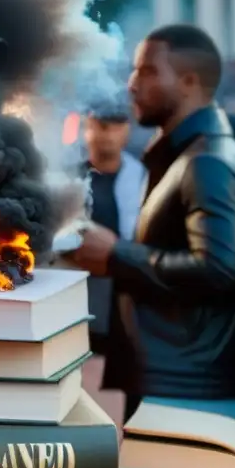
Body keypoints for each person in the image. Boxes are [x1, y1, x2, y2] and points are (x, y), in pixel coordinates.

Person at [72, 24, 235, 438]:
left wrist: (117, 254)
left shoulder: (208, 163)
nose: (133, 84)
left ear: (189, 83)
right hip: (180, 383)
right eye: (135, 71)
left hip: (196, 391)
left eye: (149, 72)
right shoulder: (188, 155)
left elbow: (219, 267)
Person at [80, 100, 145, 358]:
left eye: (115, 126)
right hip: (79, 285)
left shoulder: (144, 177)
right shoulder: (67, 175)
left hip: (126, 292)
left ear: (127, 130)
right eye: (99, 126)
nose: (106, 134)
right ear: (87, 128)